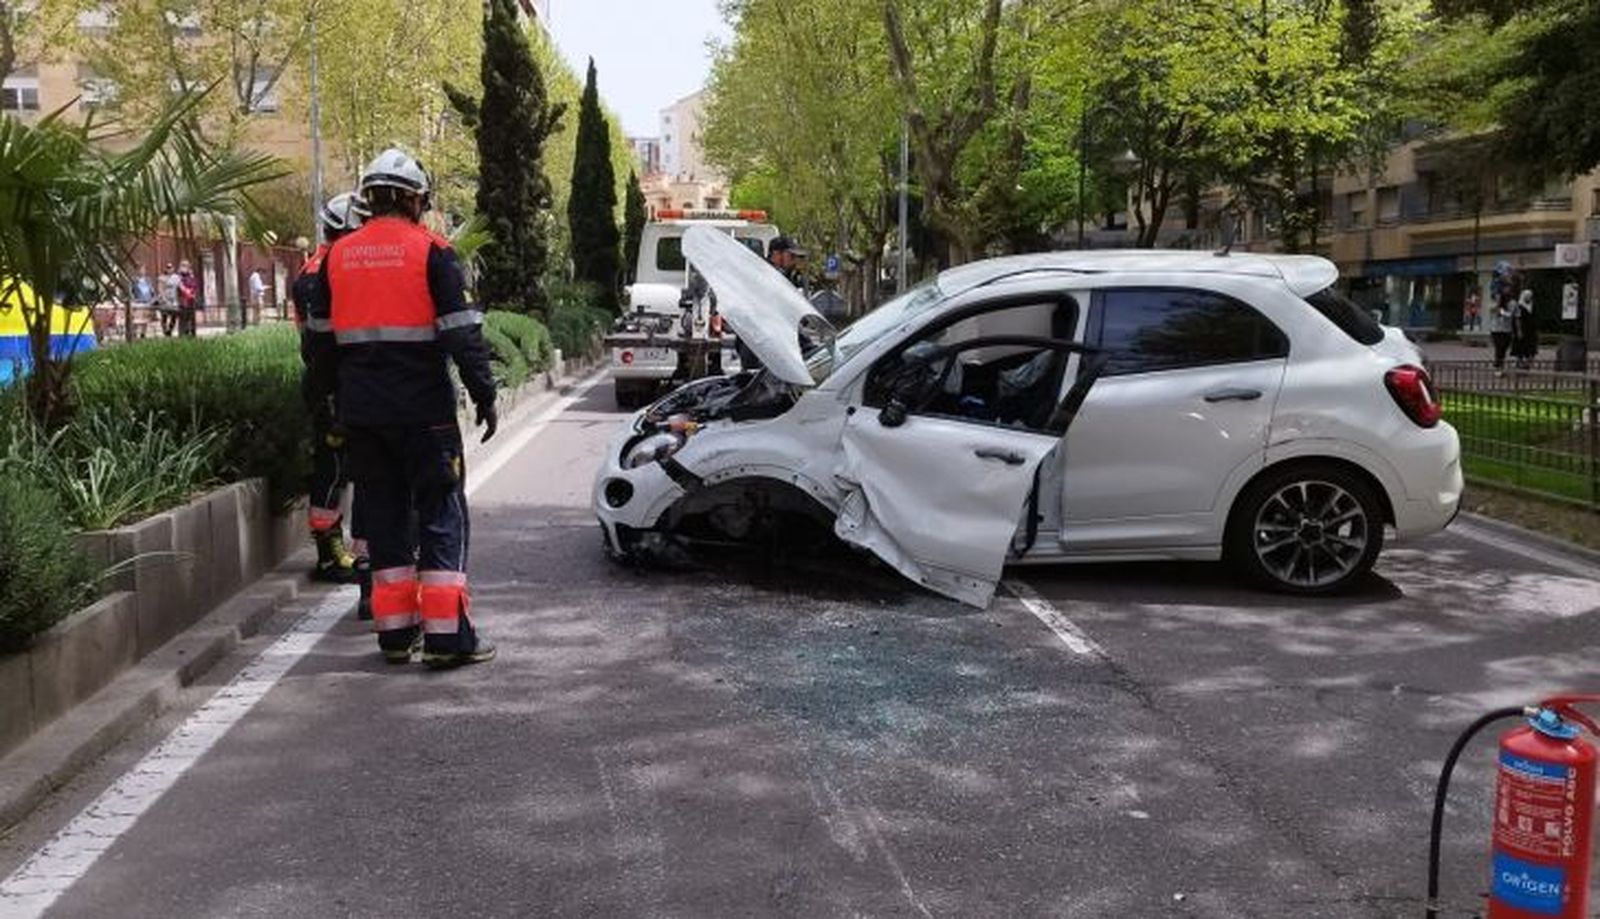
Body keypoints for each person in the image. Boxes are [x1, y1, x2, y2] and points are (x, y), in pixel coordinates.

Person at [312, 148, 499, 668]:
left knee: (387, 517)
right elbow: (463, 334)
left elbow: (319, 345)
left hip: (363, 416)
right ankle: (447, 638)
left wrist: (329, 406)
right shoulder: (432, 251)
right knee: (441, 512)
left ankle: (395, 635)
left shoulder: (337, 257)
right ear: (417, 199)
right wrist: (484, 393)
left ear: (369, 199)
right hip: (425, 413)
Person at [294, 193, 368, 599]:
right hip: (331, 385)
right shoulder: (320, 272)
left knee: (344, 468)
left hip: (340, 381)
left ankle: (344, 549)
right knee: (333, 469)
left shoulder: (329, 266)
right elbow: (321, 342)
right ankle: (328, 552)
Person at [1489, 263, 1516, 373]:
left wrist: (1501, 311)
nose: (1507, 289)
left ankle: (1500, 365)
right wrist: (1498, 307)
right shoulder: (1496, 299)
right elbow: (1492, 309)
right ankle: (1498, 367)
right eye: (1505, 287)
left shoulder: (1511, 302)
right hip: (1496, 329)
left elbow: (1510, 315)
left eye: (1508, 287)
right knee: (1499, 348)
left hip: (1507, 330)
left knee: (1504, 349)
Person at [1511, 288, 1538, 371]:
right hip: (1522, 329)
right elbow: (1517, 318)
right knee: (1520, 345)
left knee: (1531, 344)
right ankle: (1519, 361)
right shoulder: (1519, 306)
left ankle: (1529, 361)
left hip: (1531, 329)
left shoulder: (1533, 305)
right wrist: (1519, 330)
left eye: (1530, 296)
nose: (1528, 298)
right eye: (1527, 296)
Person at [157, 262, 180, 336]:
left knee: (174, 315)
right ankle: (165, 330)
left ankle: (170, 329)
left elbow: (179, 287)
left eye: (170, 268)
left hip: (174, 299)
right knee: (164, 316)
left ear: (173, 268)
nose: (169, 269)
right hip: (165, 299)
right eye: (168, 268)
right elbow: (160, 289)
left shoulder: (176, 277)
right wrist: (164, 299)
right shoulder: (162, 278)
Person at [176, 260, 198, 336]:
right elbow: (180, 286)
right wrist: (187, 292)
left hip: (191, 301)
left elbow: (195, 285)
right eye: (183, 265)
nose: (185, 267)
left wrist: (192, 293)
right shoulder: (178, 277)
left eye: (187, 265)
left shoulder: (191, 276)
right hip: (183, 301)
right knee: (183, 319)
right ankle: (183, 334)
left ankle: (192, 333)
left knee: (191, 318)